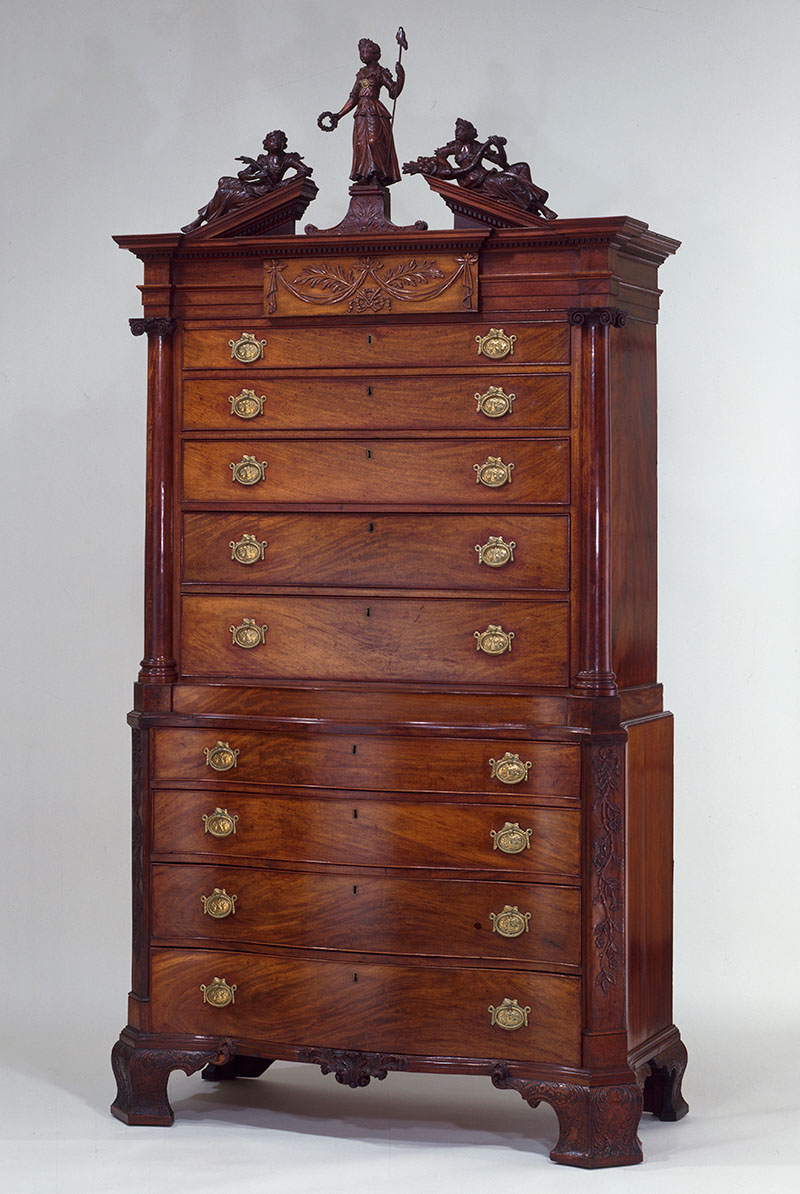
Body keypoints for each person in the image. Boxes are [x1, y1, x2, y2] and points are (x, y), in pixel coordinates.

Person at [403, 118, 557, 219]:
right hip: (475, 182)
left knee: (522, 167)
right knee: (509, 180)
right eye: (457, 130)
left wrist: (498, 146)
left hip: (486, 176)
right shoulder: (454, 147)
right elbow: (445, 165)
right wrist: (443, 166)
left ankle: (528, 208)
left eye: (462, 129)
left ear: (471, 133)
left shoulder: (477, 146)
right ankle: (540, 207)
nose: (457, 132)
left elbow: (503, 163)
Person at [181, 130, 312, 233]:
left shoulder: (287, 159)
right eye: (272, 140)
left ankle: (199, 220)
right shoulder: (262, 160)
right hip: (255, 187)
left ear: (283, 143)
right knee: (223, 181)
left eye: (279, 140)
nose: (275, 142)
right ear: (266, 144)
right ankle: (200, 219)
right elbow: (242, 175)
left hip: (265, 191)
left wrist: (282, 184)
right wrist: (258, 176)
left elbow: (305, 171)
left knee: (223, 192)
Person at [317, 38, 404, 186]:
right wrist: (339, 114)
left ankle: (378, 173)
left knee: (374, 141)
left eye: (365, 51)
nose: (362, 55)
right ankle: (364, 174)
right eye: (360, 52)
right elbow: (353, 97)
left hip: (374, 110)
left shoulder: (380, 72)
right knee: (360, 143)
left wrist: (401, 76)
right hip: (361, 111)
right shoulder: (361, 73)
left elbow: (393, 92)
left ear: (374, 53)